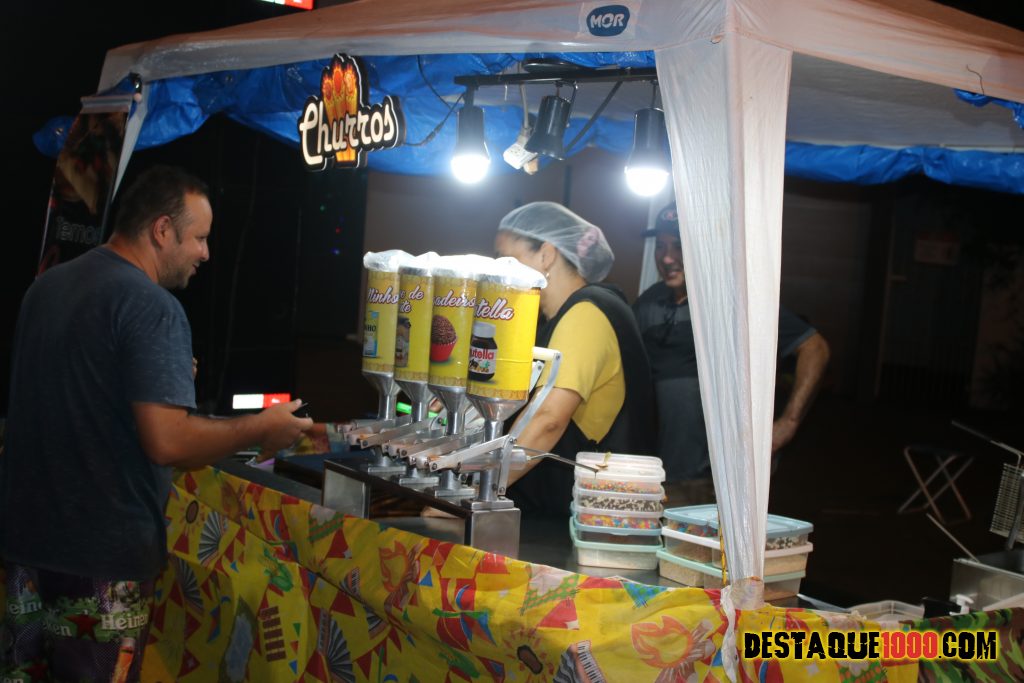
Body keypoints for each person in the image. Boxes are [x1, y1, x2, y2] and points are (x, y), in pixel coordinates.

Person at [0, 165, 312, 682]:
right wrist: (262, 427)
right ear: (162, 230)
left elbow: (77, 398)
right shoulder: (151, 306)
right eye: (200, 238)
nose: (205, 254)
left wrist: (158, 379)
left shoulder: (47, 288)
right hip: (100, 559)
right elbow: (167, 441)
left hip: (26, 547)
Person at [633, 202, 830, 506]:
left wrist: (788, 423)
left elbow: (815, 348)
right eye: (661, 246)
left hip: (714, 478)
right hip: (658, 471)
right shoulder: (649, 302)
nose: (667, 257)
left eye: (679, 246)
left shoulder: (731, 299)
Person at [495, 202, 656, 517]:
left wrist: (480, 492)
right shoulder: (556, 320)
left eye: (508, 259)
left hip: (574, 517)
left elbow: (548, 420)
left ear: (546, 255)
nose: (501, 272)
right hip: (551, 510)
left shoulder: (585, 315)